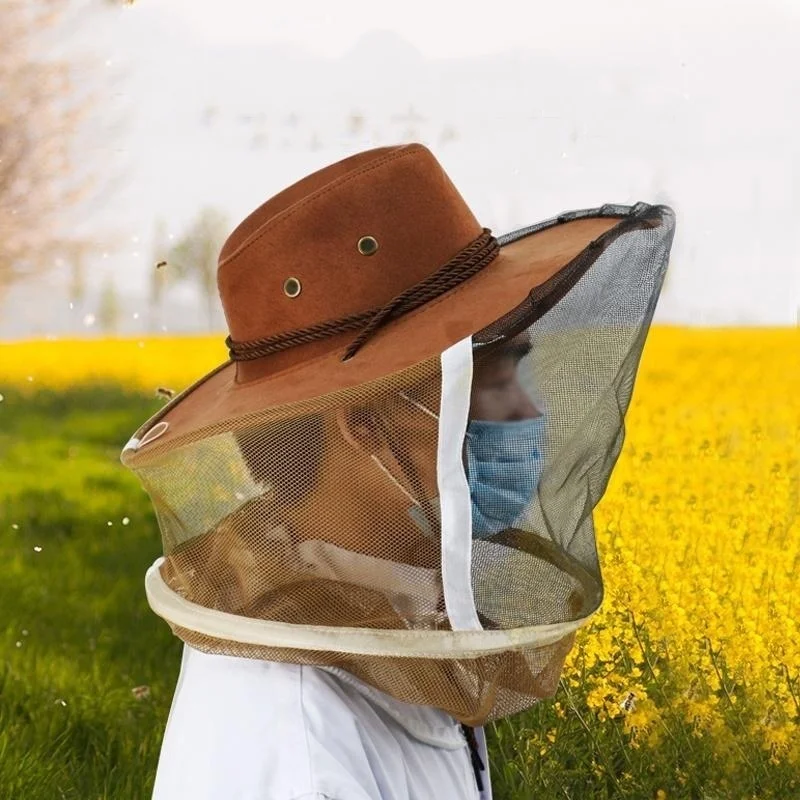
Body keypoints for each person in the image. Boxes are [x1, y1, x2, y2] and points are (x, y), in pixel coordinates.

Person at [121, 143, 675, 798]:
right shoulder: (292, 740)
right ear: (364, 428)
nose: (530, 413)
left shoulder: (394, 624)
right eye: (490, 381)